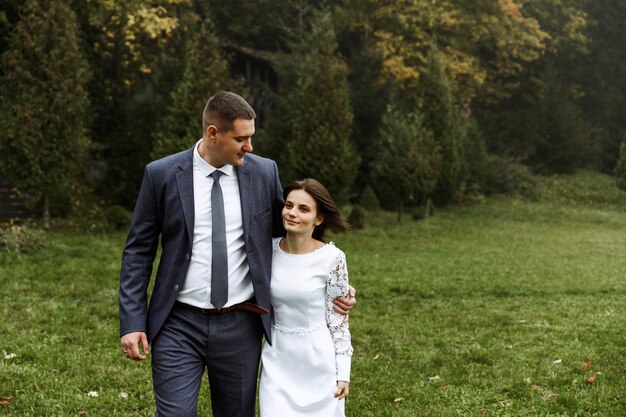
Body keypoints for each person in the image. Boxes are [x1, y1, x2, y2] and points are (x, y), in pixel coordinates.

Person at [118, 91, 355, 417]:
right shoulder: (161, 174)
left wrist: (331, 281)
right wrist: (132, 321)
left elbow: (286, 238)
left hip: (240, 326)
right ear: (213, 133)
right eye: (241, 138)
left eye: (251, 137)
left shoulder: (264, 172)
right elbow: (138, 251)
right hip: (177, 323)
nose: (250, 147)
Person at [259, 178, 354, 417]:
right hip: (277, 359)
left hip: (318, 363)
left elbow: (339, 320)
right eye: (289, 205)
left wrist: (343, 372)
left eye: (303, 209)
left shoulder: (332, 258)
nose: (292, 213)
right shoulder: (265, 252)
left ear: (318, 218)